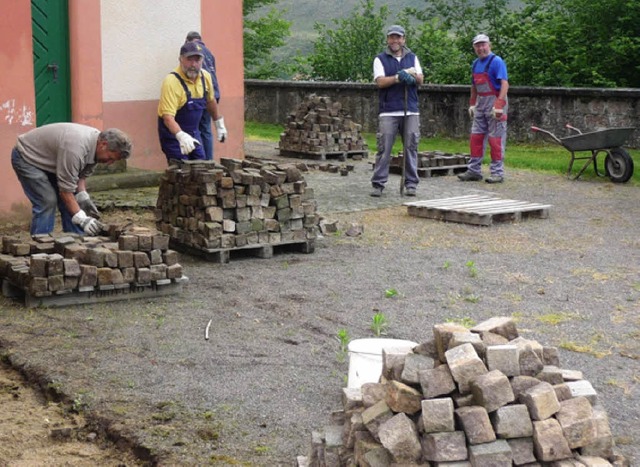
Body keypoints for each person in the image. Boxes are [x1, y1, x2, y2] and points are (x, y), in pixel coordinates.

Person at [11, 123, 132, 236]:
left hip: (52, 160)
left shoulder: (96, 147)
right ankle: (40, 245)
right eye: (110, 158)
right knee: (47, 201)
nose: (109, 163)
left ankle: (76, 241)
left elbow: (80, 176)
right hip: (28, 157)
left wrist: (82, 195)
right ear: (103, 145)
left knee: (72, 201)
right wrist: (82, 219)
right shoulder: (76, 148)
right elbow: (65, 191)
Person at [370, 25, 424, 197]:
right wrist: (397, 78)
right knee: (384, 148)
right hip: (389, 110)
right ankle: (378, 184)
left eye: (398, 37)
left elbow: (421, 79)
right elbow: (380, 82)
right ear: (387, 40)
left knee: (411, 147)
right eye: (392, 37)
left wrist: (412, 76)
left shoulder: (413, 57)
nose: (395, 41)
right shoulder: (380, 59)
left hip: (411, 110)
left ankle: (411, 184)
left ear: (403, 39)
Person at [157, 41, 227, 164]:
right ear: (181, 59)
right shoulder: (171, 82)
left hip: (194, 132)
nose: (193, 64)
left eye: (197, 60)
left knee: (201, 166)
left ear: (202, 61)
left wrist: (218, 123)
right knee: (181, 171)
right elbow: (167, 117)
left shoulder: (206, 77)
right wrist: (181, 136)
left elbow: (210, 101)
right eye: (189, 59)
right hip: (173, 135)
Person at [458, 33, 509, 184]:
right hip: (480, 103)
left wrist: (499, 104)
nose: (481, 48)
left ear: (489, 45)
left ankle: (497, 173)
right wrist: (472, 103)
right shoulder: (475, 64)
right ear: (474, 48)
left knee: (495, 139)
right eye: (477, 46)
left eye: (483, 45)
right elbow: (474, 86)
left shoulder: (497, 61)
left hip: (495, 101)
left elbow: (505, 84)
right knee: (476, 137)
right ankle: (474, 171)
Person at [185, 31, 221, 161]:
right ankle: (209, 160)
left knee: (195, 128)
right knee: (206, 129)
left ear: (188, 40)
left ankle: (200, 161)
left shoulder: (193, 51)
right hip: (214, 93)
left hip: (202, 94)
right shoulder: (209, 52)